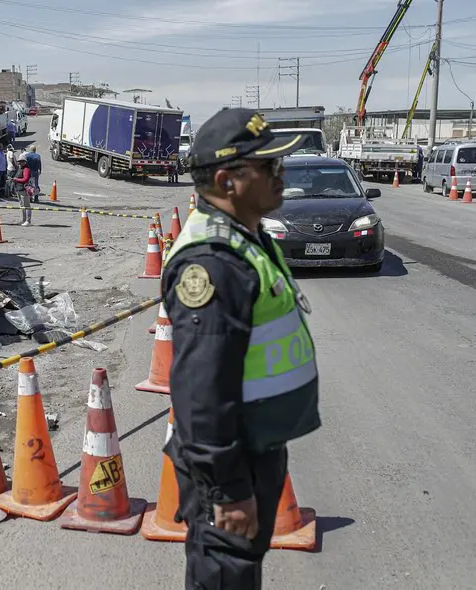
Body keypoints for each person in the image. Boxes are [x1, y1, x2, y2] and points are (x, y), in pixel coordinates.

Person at [163, 108, 322, 590]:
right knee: (225, 574)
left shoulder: (245, 238)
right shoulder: (213, 264)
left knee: (241, 570)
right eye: (268, 166)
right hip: (230, 466)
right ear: (227, 181)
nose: (281, 173)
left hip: (253, 449)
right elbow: (202, 395)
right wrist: (228, 491)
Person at [13, 154, 35, 226]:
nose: (20, 163)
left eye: (22, 161)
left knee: (26, 205)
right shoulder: (20, 168)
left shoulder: (26, 169)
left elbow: (25, 179)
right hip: (19, 189)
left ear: (25, 162)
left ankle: (28, 221)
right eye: (19, 161)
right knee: (22, 205)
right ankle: (24, 220)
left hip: (24, 190)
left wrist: (16, 179)